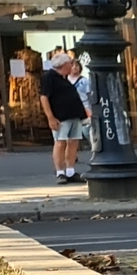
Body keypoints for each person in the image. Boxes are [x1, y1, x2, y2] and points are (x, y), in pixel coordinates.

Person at [39, 54, 86, 183]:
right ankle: (60, 171)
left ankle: (70, 170)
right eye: (70, 63)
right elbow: (44, 97)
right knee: (60, 142)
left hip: (73, 114)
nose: (72, 65)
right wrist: (51, 117)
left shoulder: (64, 78)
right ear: (64, 64)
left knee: (73, 141)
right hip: (61, 116)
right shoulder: (49, 77)